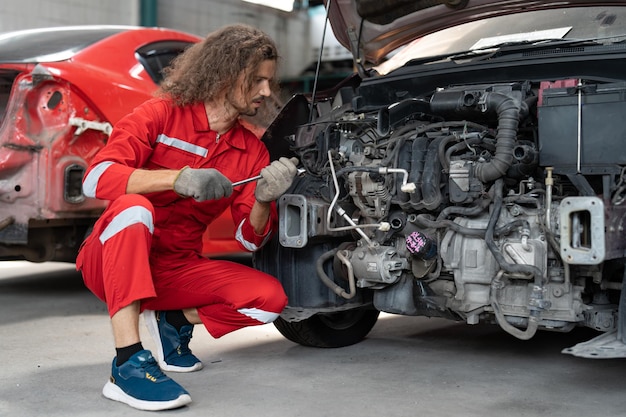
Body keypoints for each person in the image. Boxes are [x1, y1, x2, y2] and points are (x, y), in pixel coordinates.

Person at [75, 24, 299, 411]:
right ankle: (127, 364)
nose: (266, 91)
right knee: (134, 208)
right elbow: (94, 179)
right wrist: (175, 179)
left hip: (175, 268)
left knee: (270, 299)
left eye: (269, 81)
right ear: (225, 74)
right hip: (111, 260)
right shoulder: (161, 114)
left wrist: (263, 199)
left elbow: (249, 239)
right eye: (256, 80)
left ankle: (174, 319)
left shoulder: (250, 151)